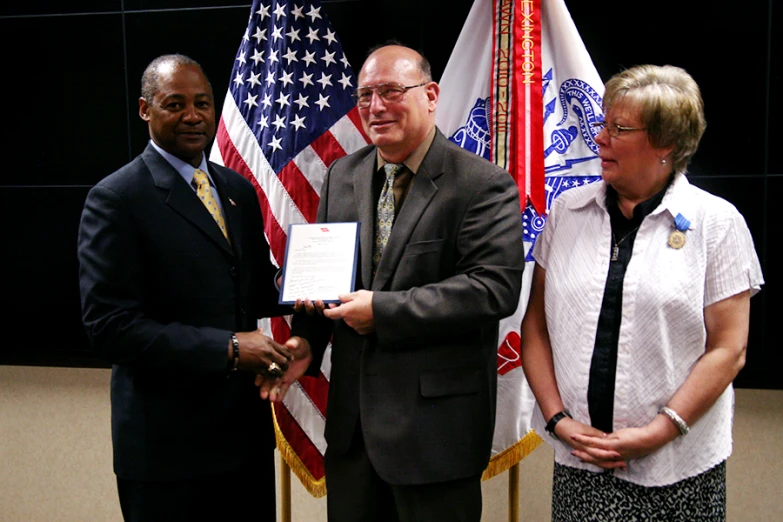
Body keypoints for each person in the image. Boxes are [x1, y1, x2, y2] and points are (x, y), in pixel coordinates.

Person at [259, 43, 525, 521]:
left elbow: (493, 289)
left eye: (390, 91)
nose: (376, 107)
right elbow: (330, 282)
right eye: (365, 96)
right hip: (353, 434)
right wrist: (306, 343)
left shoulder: (482, 184)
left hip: (436, 439)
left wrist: (382, 311)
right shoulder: (344, 174)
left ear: (430, 94)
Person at [520, 64, 764, 521]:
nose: (601, 138)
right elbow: (536, 328)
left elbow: (729, 350)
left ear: (666, 143)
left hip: (676, 467)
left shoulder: (717, 223)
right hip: (581, 462)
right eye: (603, 124)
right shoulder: (567, 214)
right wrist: (557, 420)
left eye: (620, 128)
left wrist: (659, 431)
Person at [77, 54, 292, 522]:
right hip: (167, 456)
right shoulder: (116, 199)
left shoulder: (235, 188)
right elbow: (110, 328)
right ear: (144, 109)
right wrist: (231, 348)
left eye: (203, 103)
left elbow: (254, 288)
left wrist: (313, 286)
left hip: (243, 444)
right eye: (175, 104)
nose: (193, 116)